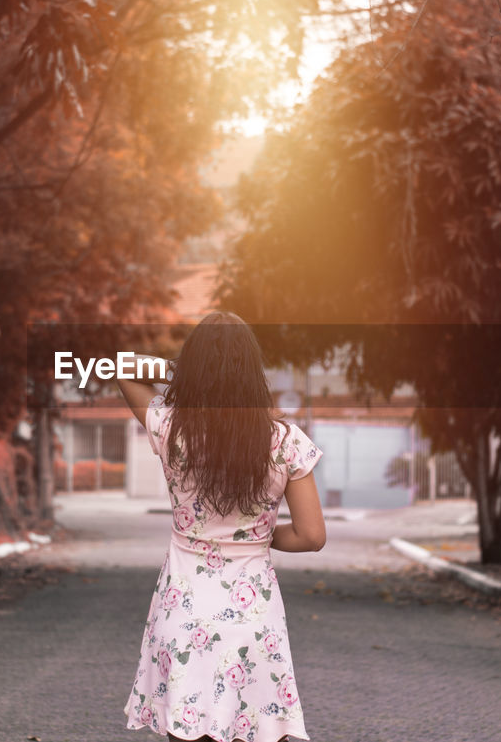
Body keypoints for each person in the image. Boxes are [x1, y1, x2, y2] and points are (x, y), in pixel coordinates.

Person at [118, 311, 326, 742]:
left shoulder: (174, 429)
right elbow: (311, 536)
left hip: (184, 609)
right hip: (254, 619)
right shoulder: (286, 442)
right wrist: (260, 538)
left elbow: (123, 366)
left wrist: (191, 375)